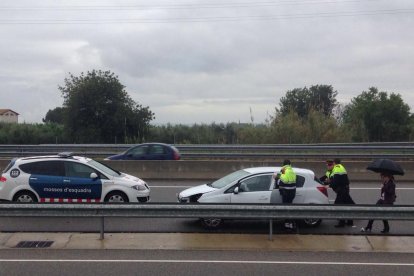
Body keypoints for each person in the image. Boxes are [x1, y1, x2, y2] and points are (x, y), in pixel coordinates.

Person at [330, 158, 355, 227]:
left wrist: (330, 185)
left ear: (334, 163)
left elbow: (336, 180)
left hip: (342, 190)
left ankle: (342, 223)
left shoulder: (337, 168)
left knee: (338, 206)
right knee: (348, 204)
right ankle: (350, 221)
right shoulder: (341, 167)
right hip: (345, 189)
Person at [274, 159, 297, 230]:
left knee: (286, 208)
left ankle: (288, 225)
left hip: (286, 192)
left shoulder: (284, 170)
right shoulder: (292, 171)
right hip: (292, 192)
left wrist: (278, 175)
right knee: (289, 208)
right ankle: (290, 224)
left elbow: (284, 180)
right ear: (290, 164)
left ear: (284, 164)